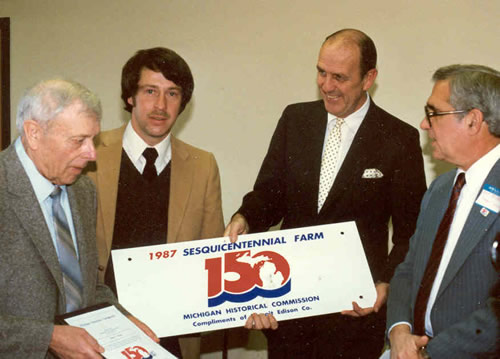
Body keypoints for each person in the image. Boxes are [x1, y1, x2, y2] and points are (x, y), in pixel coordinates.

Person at [224, 29, 427, 358]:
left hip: (354, 314)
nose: (327, 85)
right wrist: (244, 217)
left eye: (340, 77)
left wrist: (386, 284)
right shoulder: (295, 119)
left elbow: (409, 233)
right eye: (321, 72)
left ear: (368, 78)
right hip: (289, 308)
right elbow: (269, 194)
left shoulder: (398, 139)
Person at [0, 78, 157, 358]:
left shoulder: (82, 191)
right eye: (78, 141)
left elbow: (86, 286)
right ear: (33, 133)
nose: (91, 154)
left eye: (93, 140)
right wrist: (47, 337)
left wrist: (123, 321)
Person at [85, 47, 224, 358]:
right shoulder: (89, 153)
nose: (161, 105)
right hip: (98, 332)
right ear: (130, 96)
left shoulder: (203, 165)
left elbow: (213, 256)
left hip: (172, 336)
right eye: (150, 91)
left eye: (172, 94)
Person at [386, 64, 500, 358]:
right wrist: (399, 331)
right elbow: (408, 268)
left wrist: (432, 353)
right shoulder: (441, 188)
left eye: (433, 113)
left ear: (473, 121)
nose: (425, 124)